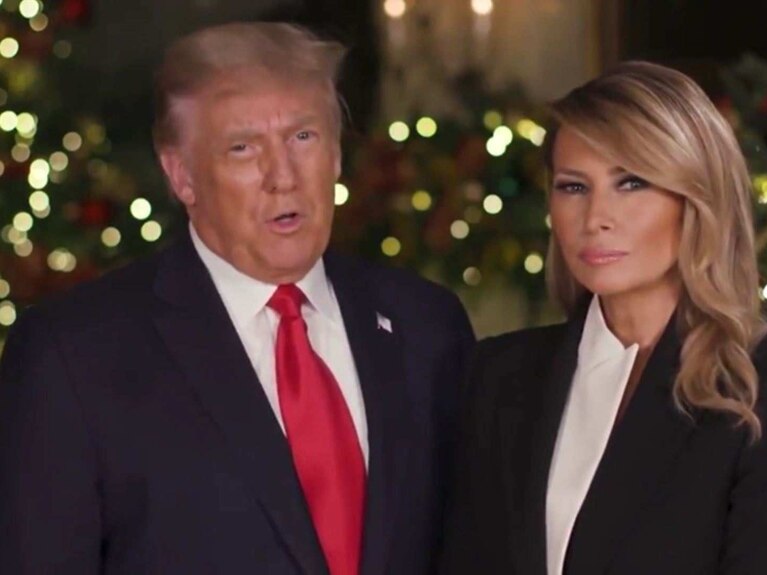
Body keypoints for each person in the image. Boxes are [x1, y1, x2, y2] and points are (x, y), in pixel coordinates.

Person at [0, 22, 474, 575]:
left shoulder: (426, 326)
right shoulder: (72, 357)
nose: (283, 177)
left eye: (303, 137)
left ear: (337, 155)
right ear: (181, 175)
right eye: (243, 148)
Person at [440, 61, 767, 574]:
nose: (596, 217)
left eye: (631, 183)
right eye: (573, 187)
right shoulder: (500, 374)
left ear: (695, 198)